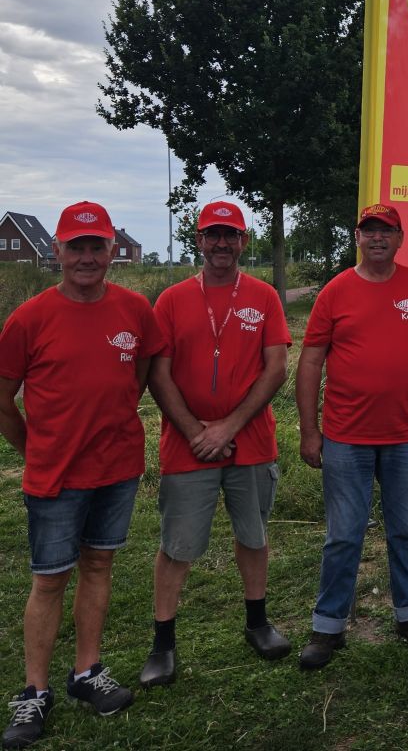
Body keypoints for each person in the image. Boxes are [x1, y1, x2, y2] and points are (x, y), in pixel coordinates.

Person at [0, 201, 164, 749]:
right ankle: (33, 693)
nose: (88, 257)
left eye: (98, 246)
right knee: (49, 580)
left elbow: (138, 374)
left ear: (112, 250)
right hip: (54, 476)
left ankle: (86, 673)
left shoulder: (137, 310)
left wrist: (110, 420)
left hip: (116, 467)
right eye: (78, 246)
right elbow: (3, 400)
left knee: (98, 565)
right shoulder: (29, 319)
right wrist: (36, 448)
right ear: (58, 250)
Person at [297, 203, 408, 667]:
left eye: (386, 231)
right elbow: (311, 360)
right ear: (357, 237)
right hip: (346, 438)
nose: (377, 238)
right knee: (343, 536)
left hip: (407, 436)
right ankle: (328, 628)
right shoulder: (335, 291)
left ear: (400, 238)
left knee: (407, 530)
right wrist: (310, 430)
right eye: (369, 230)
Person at [138, 201, 292, 687]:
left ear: (244, 241)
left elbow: (276, 368)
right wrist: (195, 431)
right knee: (177, 546)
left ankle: (257, 623)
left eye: (231, 235)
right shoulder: (171, 300)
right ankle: (163, 644)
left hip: (252, 442)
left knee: (253, 536)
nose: (221, 243)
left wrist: (227, 427)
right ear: (199, 241)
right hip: (187, 447)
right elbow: (157, 375)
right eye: (212, 235)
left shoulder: (265, 297)